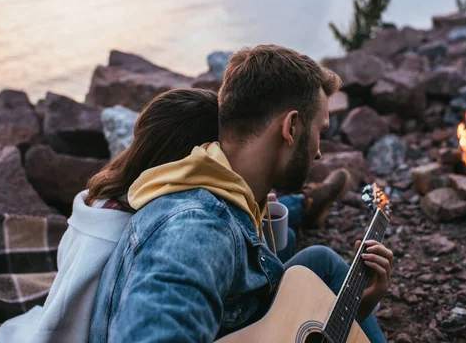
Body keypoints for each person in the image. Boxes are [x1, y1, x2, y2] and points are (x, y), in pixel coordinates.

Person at [0, 88, 350, 343]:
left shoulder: (109, 198)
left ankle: (306, 207)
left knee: (286, 235)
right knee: (304, 253)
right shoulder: (181, 223)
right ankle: (306, 207)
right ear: (192, 159)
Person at [90, 45, 392, 343]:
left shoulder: (231, 192)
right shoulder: (199, 230)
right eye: (319, 133)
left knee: (319, 260)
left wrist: (355, 308)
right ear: (291, 127)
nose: (319, 153)